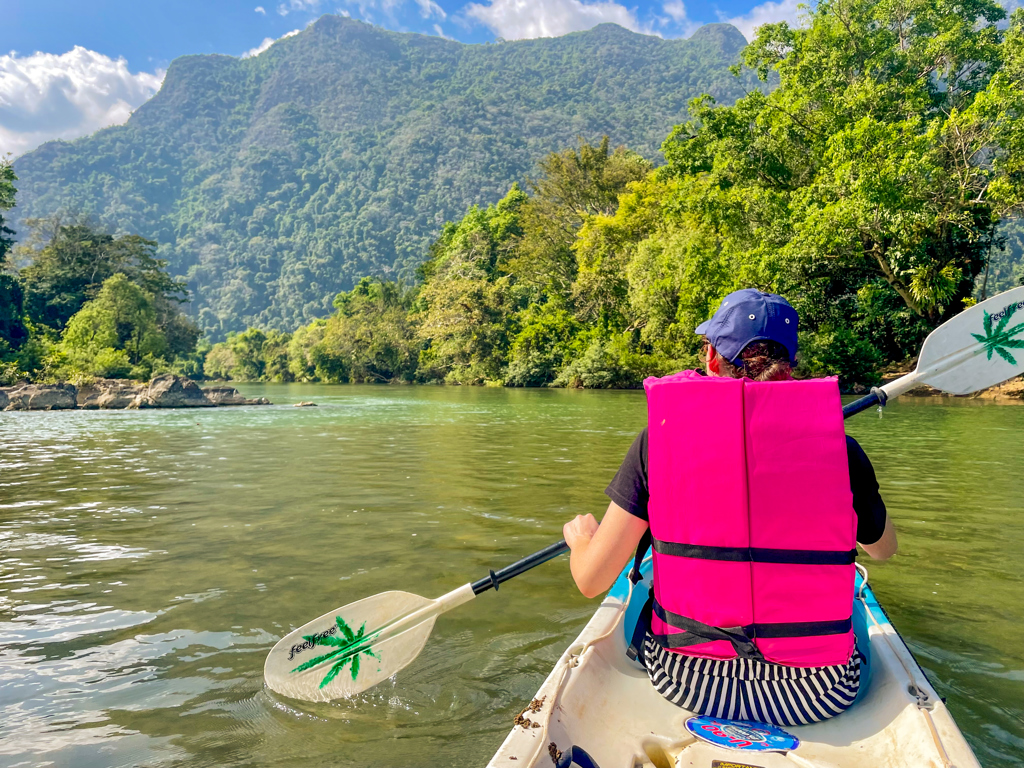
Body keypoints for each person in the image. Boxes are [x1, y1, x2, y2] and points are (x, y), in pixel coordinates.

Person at [562, 289, 898, 726]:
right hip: (819, 693)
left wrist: (581, 540)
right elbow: (883, 549)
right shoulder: (841, 451)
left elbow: (590, 580)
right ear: (789, 368)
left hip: (687, 683)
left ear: (710, 358)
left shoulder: (658, 444)